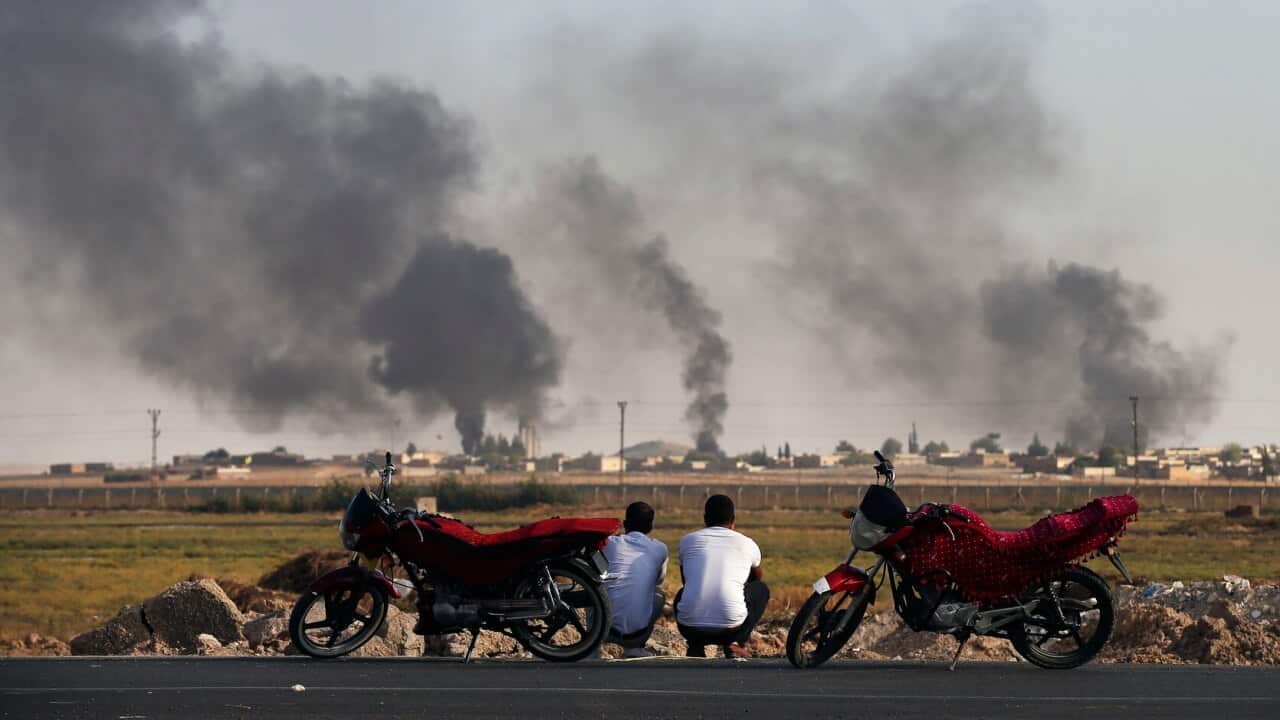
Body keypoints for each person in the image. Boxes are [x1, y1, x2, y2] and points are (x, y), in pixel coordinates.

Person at [674, 494, 770, 658]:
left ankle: (695, 645)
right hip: (731, 629)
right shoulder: (747, 543)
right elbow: (757, 577)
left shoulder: (687, 541)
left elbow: (686, 580)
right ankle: (735, 643)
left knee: (682, 593)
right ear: (733, 520)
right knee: (761, 589)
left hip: (690, 627)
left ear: (705, 519)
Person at [603, 501, 668, 658]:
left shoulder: (609, 543)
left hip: (603, 630)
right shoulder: (660, 548)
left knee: (595, 586)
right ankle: (635, 648)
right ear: (650, 526)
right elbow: (658, 580)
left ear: (625, 524)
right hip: (636, 635)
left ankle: (593, 648)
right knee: (658, 594)